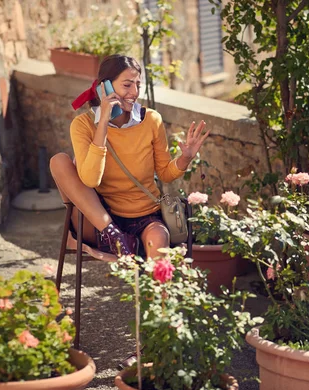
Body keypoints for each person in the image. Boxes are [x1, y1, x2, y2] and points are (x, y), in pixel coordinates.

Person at [50, 54, 209, 260]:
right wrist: (104, 123)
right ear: (104, 87)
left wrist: (185, 158)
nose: (134, 93)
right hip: (100, 219)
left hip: (145, 215)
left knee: (159, 241)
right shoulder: (83, 125)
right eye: (126, 85)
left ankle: (153, 285)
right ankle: (116, 238)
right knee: (59, 161)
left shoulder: (151, 120)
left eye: (137, 85)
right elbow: (90, 180)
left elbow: (164, 173)